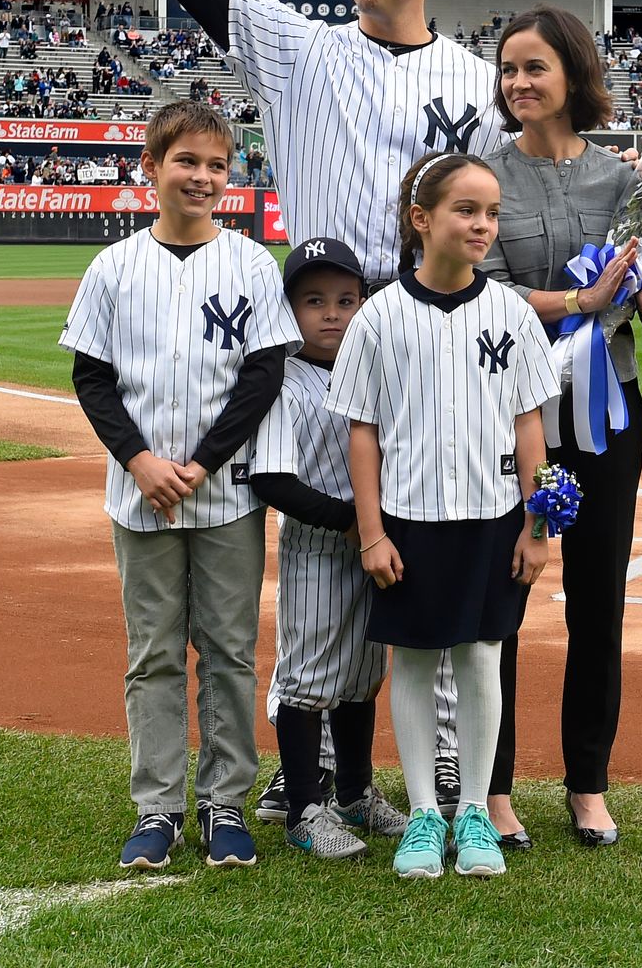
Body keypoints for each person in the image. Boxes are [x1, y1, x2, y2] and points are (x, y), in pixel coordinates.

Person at [116, 0, 483, 820]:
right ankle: (304, 772)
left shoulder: (475, 74)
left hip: (427, 343)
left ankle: (379, 778)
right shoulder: (298, 47)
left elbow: (502, 217)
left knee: (407, 555)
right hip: (319, 341)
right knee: (318, 569)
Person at [59, 99, 301, 871]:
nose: (202, 176)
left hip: (226, 490)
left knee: (229, 650)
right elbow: (91, 377)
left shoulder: (252, 262)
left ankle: (225, 801)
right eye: (187, 161)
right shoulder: (113, 266)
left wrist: (197, 462)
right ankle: (158, 806)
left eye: (217, 164)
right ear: (150, 168)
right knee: (154, 653)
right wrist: (141, 461)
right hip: (139, 494)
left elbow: (263, 374)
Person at [479, 5, 642, 851]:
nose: (519, 83)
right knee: (500, 601)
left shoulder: (624, 181)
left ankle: (588, 784)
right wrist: (582, 301)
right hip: (511, 410)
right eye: (509, 70)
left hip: (608, 412)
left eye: (535, 68)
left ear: (573, 74)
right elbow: (482, 292)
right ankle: (493, 789)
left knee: (598, 600)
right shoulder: (482, 176)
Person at [329, 152, 559, 881]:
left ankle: (475, 815)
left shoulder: (513, 314)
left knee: (483, 657)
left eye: (491, 212)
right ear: (421, 219)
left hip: (493, 518)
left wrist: (538, 524)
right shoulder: (379, 317)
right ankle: (425, 812)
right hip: (409, 520)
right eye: (466, 210)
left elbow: (530, 427)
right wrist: (371, 532)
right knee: (416, 661)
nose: (482, 224)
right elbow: (361, 430)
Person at [244, 235, 411, 862]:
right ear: (289, 309)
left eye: (345, 299)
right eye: (314, 301)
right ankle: (305, 807)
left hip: (375, 544)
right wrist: (353, 522)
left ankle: (355, 793)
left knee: (363, 677)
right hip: (317, 548)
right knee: (309, 677)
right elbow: (272, 479)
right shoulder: (282, 379)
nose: (332, 313)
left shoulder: (372, 367)